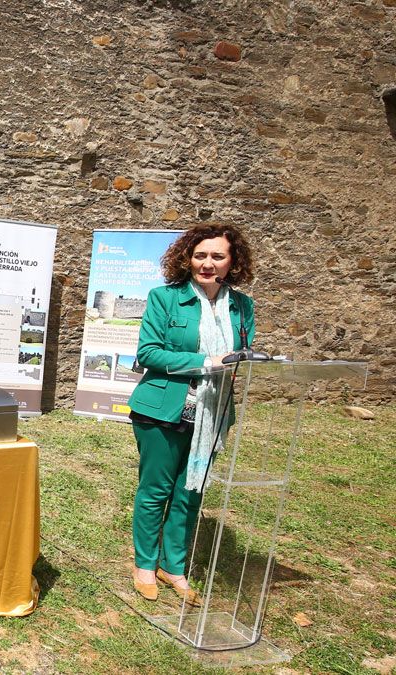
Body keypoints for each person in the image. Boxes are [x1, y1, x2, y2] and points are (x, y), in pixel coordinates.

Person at [126, 224, 256, 604]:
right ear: (187, 257)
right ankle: (146, 566)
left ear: (233, 262)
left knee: (190, 493)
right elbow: (148, 353)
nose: (208, 263)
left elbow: (243, 351)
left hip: (212, 414)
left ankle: (174, 567)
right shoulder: (164, 298)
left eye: (218, 256)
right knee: (156, 491)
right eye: (201, 255)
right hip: (163, 410)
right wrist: (206, 361)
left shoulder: (242, 306)